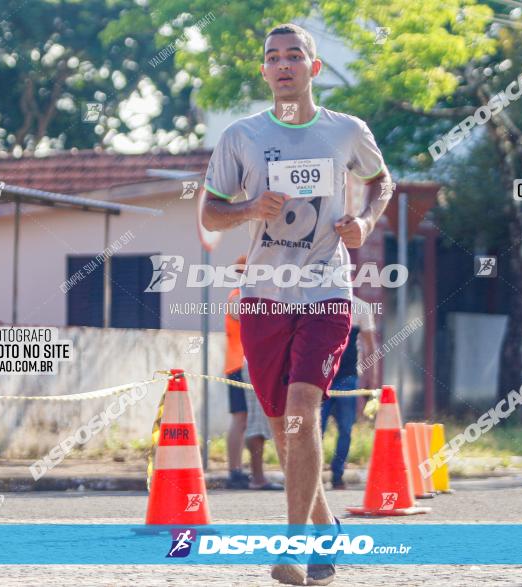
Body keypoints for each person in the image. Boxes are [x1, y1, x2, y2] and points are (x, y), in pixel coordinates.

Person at [201, 23, 391, 586]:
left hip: (328, 290)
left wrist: (365, 220)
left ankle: (293, 545)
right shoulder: (241, 136)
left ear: (313, 68)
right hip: (262, 297)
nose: (283, 65)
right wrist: (250, 208)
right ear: (264, 71)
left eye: (294, 56)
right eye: (272, 58)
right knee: (286, 423)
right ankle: (326, 525)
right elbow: (212, 213)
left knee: (304, 408)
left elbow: (382, 183)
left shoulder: (346, 132)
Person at [224, 257, 283, 490]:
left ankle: (237, 471)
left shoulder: (240, 296)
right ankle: (238, 472)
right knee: (244, 420)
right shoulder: (240, 297)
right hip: (243, 364)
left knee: (243, 419)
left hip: (238, 363)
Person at [320, 297, 377, 489]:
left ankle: (337, 475)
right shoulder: (322, 302)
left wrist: (371, 380)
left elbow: (370, 346)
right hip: (322, 377)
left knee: (346, 428)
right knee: (316, 428)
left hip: (348, 378)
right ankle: (313, 474)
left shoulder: (361, 307)